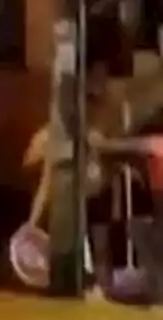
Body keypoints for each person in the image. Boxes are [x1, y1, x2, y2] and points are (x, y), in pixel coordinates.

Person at [25, 62, 120, 299]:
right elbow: (44, 182)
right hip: (76, 197)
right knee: (86, 244)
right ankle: (88, 284)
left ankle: (101, 287)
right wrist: (32, 223)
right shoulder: (55, 137)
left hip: (96, 192)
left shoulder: (102, 123)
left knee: (100, 245)